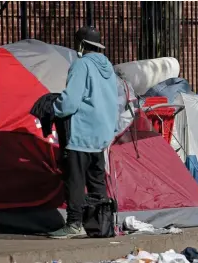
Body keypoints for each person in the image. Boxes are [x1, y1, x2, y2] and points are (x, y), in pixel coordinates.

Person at [48, 26, 119, 238]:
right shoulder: (108, 67)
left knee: (75, 179)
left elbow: (69, 102)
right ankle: (100, 223)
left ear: (80, 44)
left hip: (80, 132)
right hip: (101, 134)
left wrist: (53, 108)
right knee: (96, 180)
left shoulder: (81, 65)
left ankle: (74, 223)